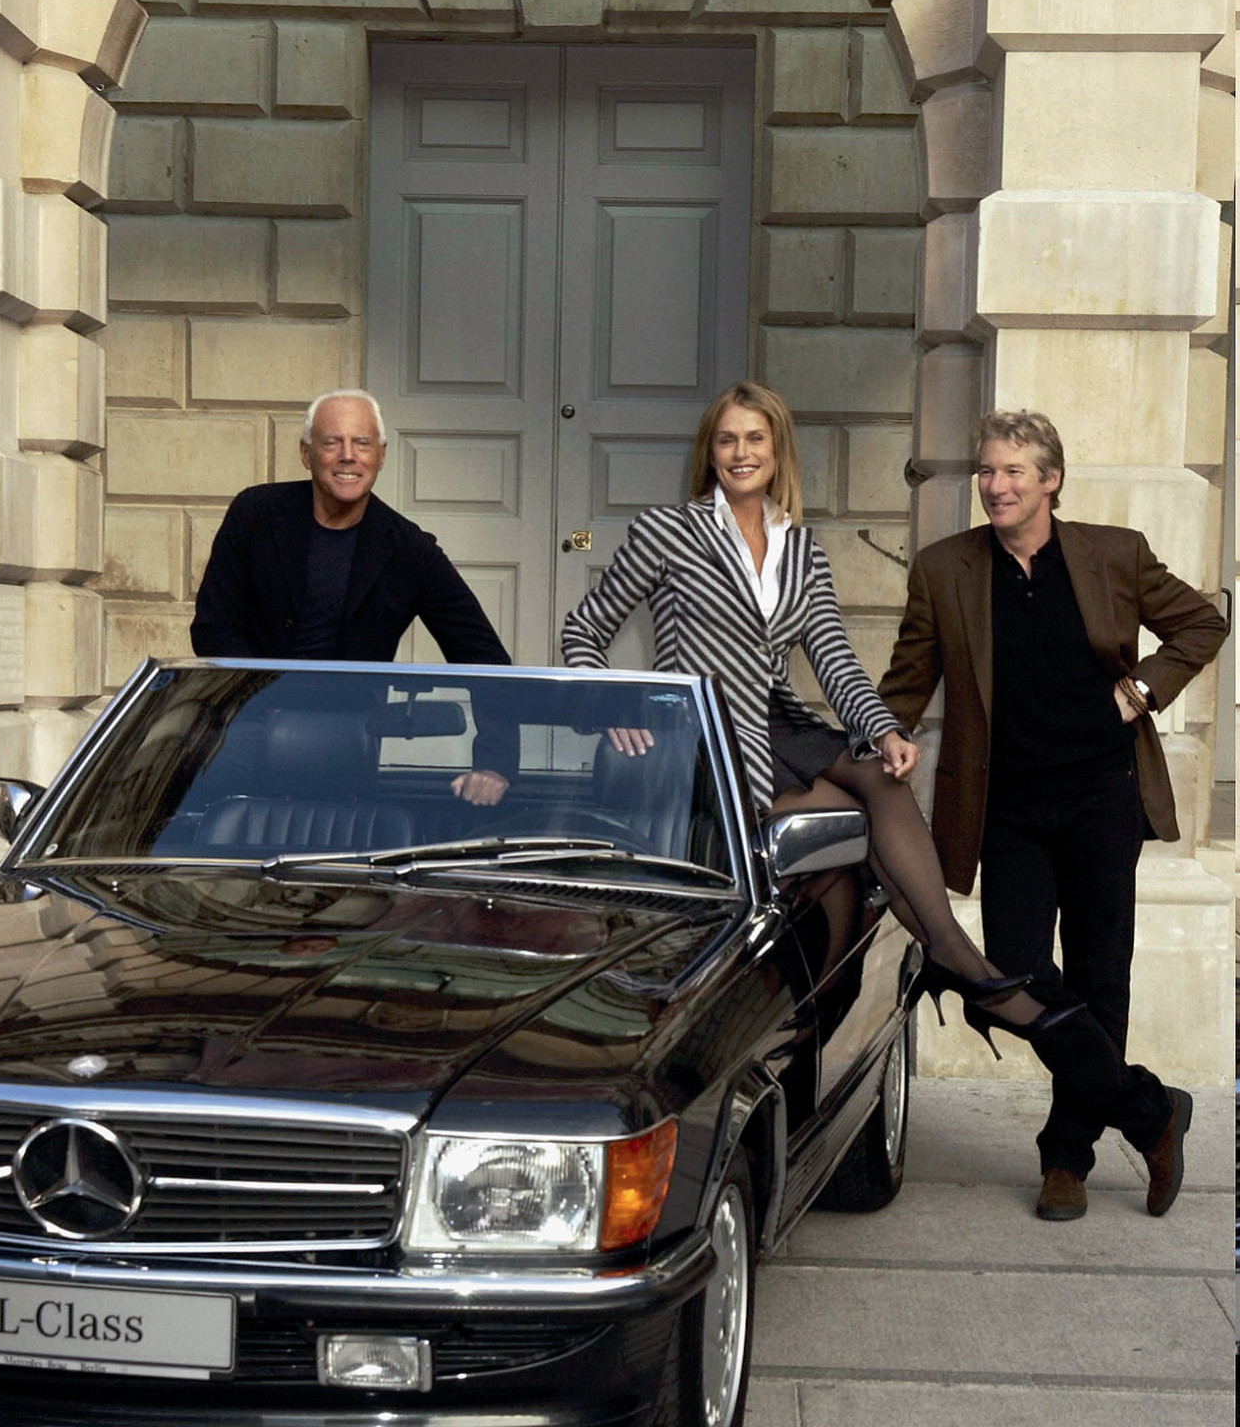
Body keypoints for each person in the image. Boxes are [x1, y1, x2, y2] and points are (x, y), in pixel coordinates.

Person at [560, 381, 1059, 1040]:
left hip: (778, 722)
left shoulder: (801, 548)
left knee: (881, 775)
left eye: (755, 438)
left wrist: (883, 728)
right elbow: (583, 630)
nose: (742, 452)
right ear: (710, 452)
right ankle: (956, 964)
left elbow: (835, 660)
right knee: (857, 826)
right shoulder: (667, 531)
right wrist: (613, 704)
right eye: (728, 440)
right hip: (702, 732)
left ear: (778, 451)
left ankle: (947, 953)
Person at [878, 409, 1227, 1220]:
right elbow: (906, 681)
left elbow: (1202, 621)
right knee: (1012, 974)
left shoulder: (1114, 554)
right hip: (1005, 807)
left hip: (1103, 795)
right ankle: (1149, 1109)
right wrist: (883, 733)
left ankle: (1066, 1158)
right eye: (986, 470)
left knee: (1102, 976)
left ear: (1050, 480)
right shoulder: (945, 568)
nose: (995, 485)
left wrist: (1142, 691)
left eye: (1012, 471)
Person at [191, 388, 512, 805]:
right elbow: (213, 627)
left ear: (381, 455)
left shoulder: (408, 548)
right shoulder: (256, 513)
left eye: (362, 443)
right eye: (332, 442)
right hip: (241, 733)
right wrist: (264, 701)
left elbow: (483, 656)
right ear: (306, 453)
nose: (348, 456)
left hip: (342, 748)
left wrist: (495, 763)